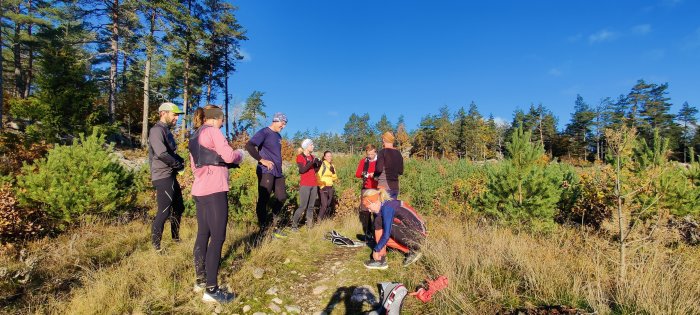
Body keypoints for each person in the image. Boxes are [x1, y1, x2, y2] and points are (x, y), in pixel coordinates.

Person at [189, 105, 244, 304]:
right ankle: (211, 289)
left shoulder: (195, 136)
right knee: (218, 237)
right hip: (215, 190)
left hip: (200, 190)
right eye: (222, 118)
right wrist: (240, 155)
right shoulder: (213, 131)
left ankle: (200, 280)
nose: (223, 122)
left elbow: (195, 166)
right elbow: (229, 156)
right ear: (215, 117)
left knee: (203, 234)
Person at [148, 102, 186, 252]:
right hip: (162, 176)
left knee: (179, 207)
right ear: (163, 113)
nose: (177, 118)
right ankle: (156, 247)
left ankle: (175, 239)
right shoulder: (156, 130)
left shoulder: (166, 131)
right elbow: (161, 153)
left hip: (170, 175)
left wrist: (179, 159)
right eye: (174, 114)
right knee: (164, 211)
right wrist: (178, 165)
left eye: (177, 115)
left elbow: (169, 152)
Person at [245, 112, 288, 239]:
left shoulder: (278, 136)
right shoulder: (264, 132)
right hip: (265, 171)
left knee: (282, 197)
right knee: (264, 199)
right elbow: (249, 145)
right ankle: (263, 229)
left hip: (278, 172)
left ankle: (274, 227)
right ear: (276, 120)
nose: (283, 126)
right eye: (283, 123)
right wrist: (261, 160)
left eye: (285, 124)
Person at [361, 189, 426, 270]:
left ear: (374, 202)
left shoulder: (387, 208)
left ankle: (380, 260)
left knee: (380, 222)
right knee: (379, 223)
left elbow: (386, 235)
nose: (369, 211)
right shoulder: (386, 204)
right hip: (416, 235)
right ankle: (411, 251)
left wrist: (376, 250)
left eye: (369, 207)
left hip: (419, 237)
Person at [292, 139, 321, 230]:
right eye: (311, 145)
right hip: (305, 185)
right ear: (307, 146)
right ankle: (294, 226)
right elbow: (302, 170)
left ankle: (309, 227)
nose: (313, 146)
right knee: (302, 206)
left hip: (314, 184)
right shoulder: (300, 157)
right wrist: (312, 162)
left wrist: (319, 165)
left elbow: (314, 171)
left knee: (311, 207)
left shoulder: (312, 157)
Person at [355, 144, 378, 238]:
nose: (370, 156)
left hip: (377, 189)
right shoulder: (363, 161)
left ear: (375, 152)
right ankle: (368, 232)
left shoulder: (379, 161)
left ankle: (377, 231)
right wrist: (366, 174)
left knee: (377, 211)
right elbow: (357, 174)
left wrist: (374, 175)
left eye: (372, 154)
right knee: (365, 211)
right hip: (366, 188)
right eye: (368, 154)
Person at [374, 132, 403, 199]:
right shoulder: (398, 153)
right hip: (395, 186)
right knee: (392, 207)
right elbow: (400, 171)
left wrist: (375, 176)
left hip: (383, 186)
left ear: (384, 139)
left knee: (383, 207)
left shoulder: (382, 152)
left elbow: (379, 169)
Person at [316, 150, 339, 221]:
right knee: (324, 205)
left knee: (328, 205)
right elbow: (317, 176)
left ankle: (324, 221)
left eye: (330, 156)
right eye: (328, 156)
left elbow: (335, 178)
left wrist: (333, 172)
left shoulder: (332, 165)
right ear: (325, 157)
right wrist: (322, 186)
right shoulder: (322, 164)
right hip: (323, 187)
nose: (329, 157)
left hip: (330, 187)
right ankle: (318, 222)